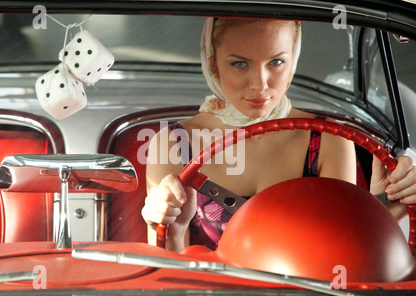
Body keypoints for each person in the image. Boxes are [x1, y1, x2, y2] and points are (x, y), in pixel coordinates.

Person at [141, 17, 416, 252]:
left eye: (276, 62)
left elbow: (341, 257)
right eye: (239, 64)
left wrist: (383, 212)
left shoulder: (327, 137)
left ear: (293, 59)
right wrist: (172, 231)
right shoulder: (174, 143)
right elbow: (167, 280)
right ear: (213, 62)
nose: (260, 84)